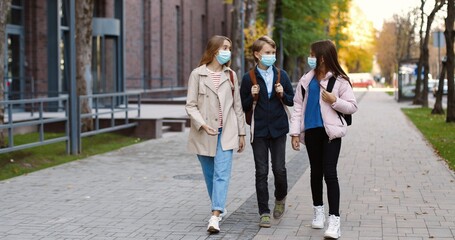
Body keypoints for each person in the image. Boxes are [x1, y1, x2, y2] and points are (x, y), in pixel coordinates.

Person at [289, 39, 358, 239]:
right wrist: (294, 133)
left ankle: (334, 220)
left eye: (312, 55)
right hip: (311, 131)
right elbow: (298, 107)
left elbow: (352, 106)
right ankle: (318, 211)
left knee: (330, 173)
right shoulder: (305, 80)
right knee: (315, 172)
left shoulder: (340, 80)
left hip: (331, 133)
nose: (309, 58)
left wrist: (334, 101)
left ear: (322, 57)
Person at [185, 35, 246, 234]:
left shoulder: (231, 75)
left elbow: (237, 106)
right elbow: (190, 105)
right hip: (204, 133)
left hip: (226, 132)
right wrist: (202, 125)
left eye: (229, 47)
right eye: (225, 47)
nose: (228, 51)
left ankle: (215, 215)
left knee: (222, 174)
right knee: (210, 175)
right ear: (214, 51)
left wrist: (241, 133)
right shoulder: (197, 74)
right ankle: (219, 204)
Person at [240, 35, 294, 228]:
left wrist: (282, 93)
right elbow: (244, 105)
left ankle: (280, 198)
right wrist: (251, 95)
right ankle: (263, 211)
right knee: (261, 171)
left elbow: (290, 100)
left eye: (273, 53)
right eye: (267, 53)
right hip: (260, 130)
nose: (271, 56)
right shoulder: (249, 78)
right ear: (257, 54)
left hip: (279, 129)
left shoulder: (282, 75)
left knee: (279, 169)